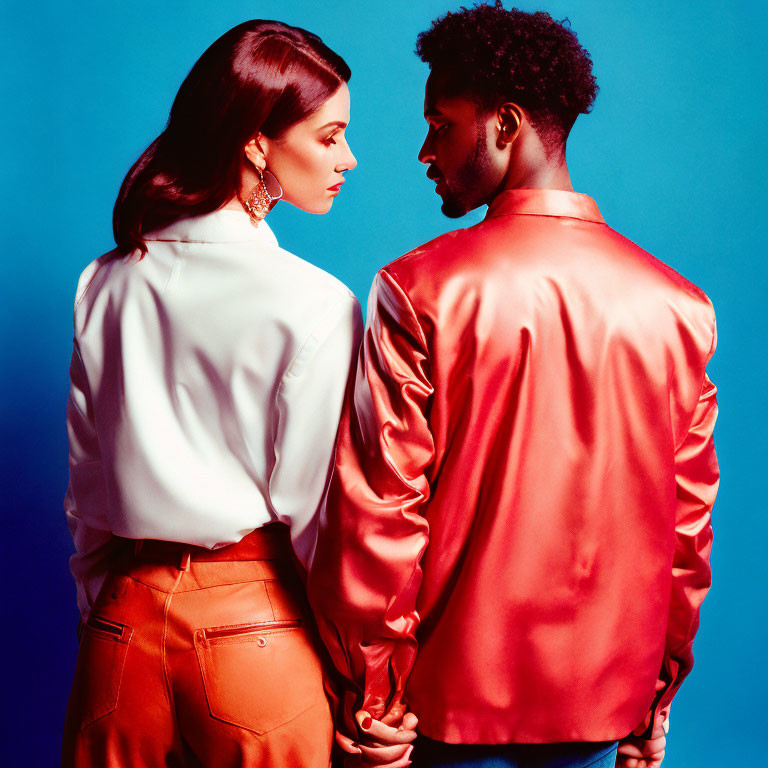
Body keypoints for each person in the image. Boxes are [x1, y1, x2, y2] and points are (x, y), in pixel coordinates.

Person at [307, 4, 718, 768]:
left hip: (443, 715)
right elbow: (685, 533)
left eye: (442, 124)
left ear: (505, 124)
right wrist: (654, 697)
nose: (424, 151)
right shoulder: (680, 307)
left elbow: (379, 518)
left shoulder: (418, 289)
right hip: (604, 710)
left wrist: (374, 702)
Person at [62, 20, 361, 767]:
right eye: (329, 138)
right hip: (256, 633)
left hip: (120, 630)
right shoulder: (316, 303)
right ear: (258, 141)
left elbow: (88, 497)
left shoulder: (105, 282)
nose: (348, 160)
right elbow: (323, 528)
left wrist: (109, 616)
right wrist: (362, 684)